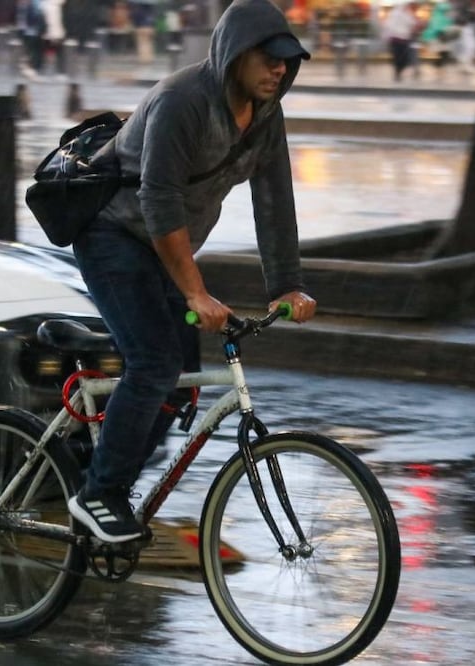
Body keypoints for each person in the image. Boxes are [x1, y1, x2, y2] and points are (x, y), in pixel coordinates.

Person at [66, 0, 318, 543]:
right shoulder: (183, 100)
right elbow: (158, 202)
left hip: (163, 247)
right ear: (234, 56)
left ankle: (106, 466)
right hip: (113, 235)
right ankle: (99, 493)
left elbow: (274, 199)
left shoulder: (265, 115)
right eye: (269, 58)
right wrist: (195, 292)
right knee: (154, 362)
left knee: (179, 386)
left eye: (287, 61)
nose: (279, 69)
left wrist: (288, 284)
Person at [383, 1, 419, 82]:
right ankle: (397, 72)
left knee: (403, 57)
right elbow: (389, 25)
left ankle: (399, 70)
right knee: (398, 57)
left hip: (403, 38)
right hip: (397, 38)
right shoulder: (395, 14)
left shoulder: (407, 14)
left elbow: (412, 23)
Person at [420, 1, 455, 80]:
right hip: (440, 39)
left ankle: (438, 68)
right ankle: (438, 68)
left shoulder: (442, 17)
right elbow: (437, 28)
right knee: (444, 54)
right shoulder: (438, 17)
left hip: (444, 39)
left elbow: (448, 25)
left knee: (444, 54)